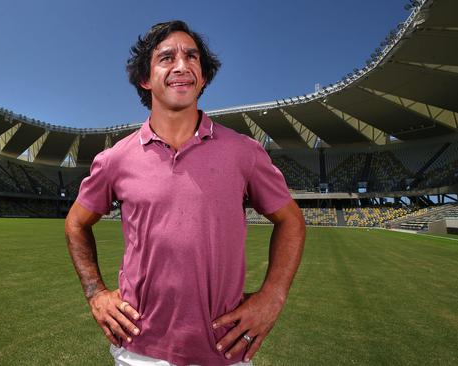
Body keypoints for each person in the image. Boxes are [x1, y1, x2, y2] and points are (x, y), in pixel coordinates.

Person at [66, 20, 305, 366]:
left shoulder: (245, 152)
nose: (182, 65)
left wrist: (273, 296)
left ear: (203, 76)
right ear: (145, 80)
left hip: (224, 348)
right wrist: (96, 294)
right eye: (166, 58)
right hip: (138, 349)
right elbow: (75, 223)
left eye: (192, 57)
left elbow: (291, 221)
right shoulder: (115, 159)